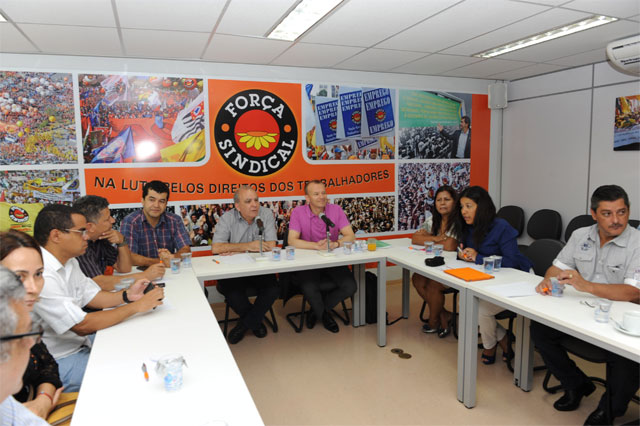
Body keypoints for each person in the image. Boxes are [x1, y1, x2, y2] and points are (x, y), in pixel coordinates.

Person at [532, 184, 640, 425]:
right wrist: (548, 280)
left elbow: (634, 293)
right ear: (593, 214)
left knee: (627, 359)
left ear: (628, 211)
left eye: (621, 212)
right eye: (607, 214)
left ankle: (609, 409)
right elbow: (557, 268)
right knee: (540, 329)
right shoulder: (581, 235)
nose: (616, 220)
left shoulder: (637, 242)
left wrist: (586, 285)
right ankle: (576, 384)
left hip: (622, 318)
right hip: (583, 311)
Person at [32, 204, 165, 392]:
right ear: (56, 235)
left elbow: (92, 296)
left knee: (138, 344)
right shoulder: (41, 274)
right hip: (58, 360)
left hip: (79, 343)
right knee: (132, 373)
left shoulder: (69, 261)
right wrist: (137, 306)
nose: (86, 236)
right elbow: (82, 325)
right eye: (80, 232)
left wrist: (128, 295)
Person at [457, 186, 532, 364]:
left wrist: (478, 257)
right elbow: (467, 250)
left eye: (468, 206)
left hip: (517, 278)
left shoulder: (501, 227)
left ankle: (490, 346)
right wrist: (464, 254)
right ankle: (503, 338)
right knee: (464, 302)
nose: (463, 211)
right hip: (491, 277)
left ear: (482, 207)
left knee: (481, 310)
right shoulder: (469, 226)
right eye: (462, 207)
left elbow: (511, 262)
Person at [0, 230, 63, 420]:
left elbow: (48, 366)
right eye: (19, 277)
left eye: (39, 274)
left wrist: (43, 400)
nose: (33, 288)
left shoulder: (22, 320)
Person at [211, 186, 280, 344]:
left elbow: (271, 245)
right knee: (233, 294)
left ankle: (245, 325)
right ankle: (256, 322)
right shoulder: (227, 218)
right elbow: (216, 248)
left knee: (273, 289)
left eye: (256, 200)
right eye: (248, 201)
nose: (254, 205)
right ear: (237, 206)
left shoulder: (266, 214)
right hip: (234, 270)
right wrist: (248, 246)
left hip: (259, 268)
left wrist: (234, 248)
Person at [288, 180, 357, 333]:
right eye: (316, 194)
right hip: (308, 261)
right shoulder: (298, 212)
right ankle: (325, 317)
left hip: (332, 259)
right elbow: (292, 240)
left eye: (323, 193)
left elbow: (350, 236)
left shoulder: (335, 210)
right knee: (309, 287)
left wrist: (336, 244)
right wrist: (315, 246)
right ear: (307, 198)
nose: (321, 197)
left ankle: (316, 311)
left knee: (350, 286)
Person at [73, 195, 165, 290]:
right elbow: (98, 283)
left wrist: (122, 242)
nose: (113, 220)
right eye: (107, 219)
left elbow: (124, 268)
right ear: (90, 227)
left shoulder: (101, 239)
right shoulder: (78, 245)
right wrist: (145, 275)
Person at [0, 266, 49, 425]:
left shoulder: (4, 402)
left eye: (38, 274)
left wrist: (44, 398)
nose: (31, 343)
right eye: (28, 332)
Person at [411, 185, 460, 337]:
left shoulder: (459, 221)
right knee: (417, 278)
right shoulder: (434, 219)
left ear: (454, 202)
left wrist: (428, 238)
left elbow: (450, 245)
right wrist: (437, 238)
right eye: (439, 200)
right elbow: (415, 238)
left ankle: (434, 321)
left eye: (447, 199)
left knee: (433, 284)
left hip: (456, 267)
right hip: (437, 263)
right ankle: (444, 315)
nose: (442, 203)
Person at [120, 180, 191, 267]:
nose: (156, 205)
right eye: (152, 200)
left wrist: (173, 257)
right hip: (141, 273)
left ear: (166, 204)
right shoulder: (130, 222)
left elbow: (185, 249)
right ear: (143, 201)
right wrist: (161, 262)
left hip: (169, 272)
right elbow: (128, 256)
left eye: (161, 201)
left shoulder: (175, 220)